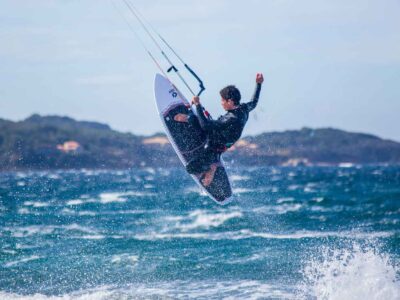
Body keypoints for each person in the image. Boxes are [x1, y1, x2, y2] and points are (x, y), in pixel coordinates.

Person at [174, 73, 264, 186]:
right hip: (223, 142)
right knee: (196, 120)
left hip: (214, 146)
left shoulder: (230, 118)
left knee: (190, 168)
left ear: (230, 101)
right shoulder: (244, 108)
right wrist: (258, 84)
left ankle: (212, 167)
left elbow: (205, 126)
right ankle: (190, 119)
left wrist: (197, 105)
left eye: (222, 100)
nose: (221, 103)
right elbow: (254, 102)